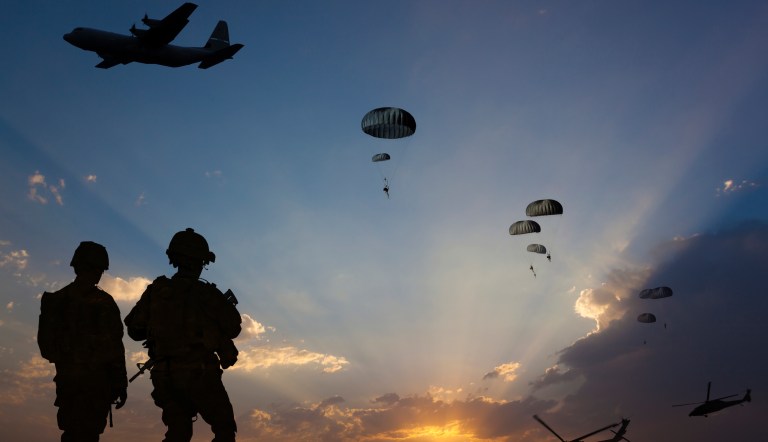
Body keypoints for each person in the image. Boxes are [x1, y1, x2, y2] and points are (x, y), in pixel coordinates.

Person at [125, 228, 242, 442]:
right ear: (201, 262)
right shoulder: (208, 294)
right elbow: (234, 327)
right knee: (224, 429)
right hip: (201, 375)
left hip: (165, 376)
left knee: (178, 434)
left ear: (174, 259)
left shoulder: (157, 291)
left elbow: (134, 330)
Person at [37, 241, 128, 442]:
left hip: (67, 382)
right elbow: (114, 348)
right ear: (98, 269)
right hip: (95, 385)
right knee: (88, 435)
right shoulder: (104, 303)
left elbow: (46, 348)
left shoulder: (56, 300)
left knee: (71, 434)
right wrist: (120, 384)